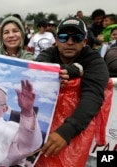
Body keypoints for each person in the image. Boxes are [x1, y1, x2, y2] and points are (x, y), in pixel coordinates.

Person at [35, 17, 109, 167]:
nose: (69, 42)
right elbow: (39, 70)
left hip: (75, 134)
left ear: (84, 41)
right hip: (41, 130)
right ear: (56, 40)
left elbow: (92, 97)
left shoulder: (95, 61)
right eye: (63, 37)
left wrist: (66, 132)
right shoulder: (47, 55)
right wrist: (76, 69)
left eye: (76, 37)